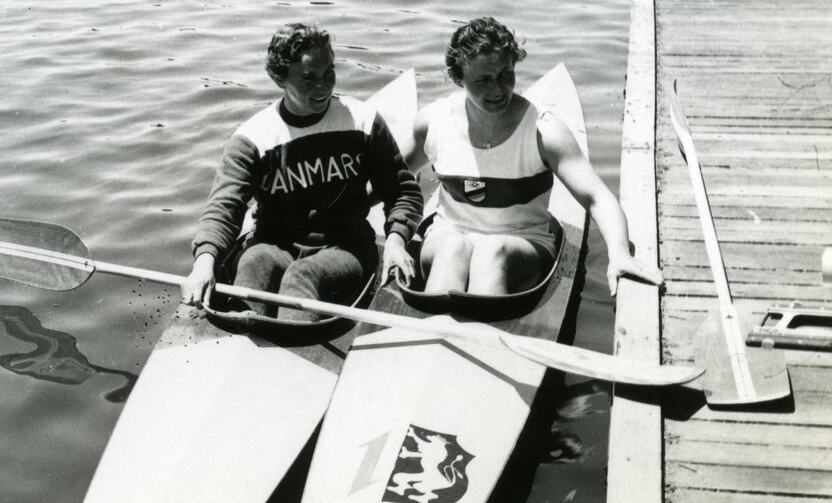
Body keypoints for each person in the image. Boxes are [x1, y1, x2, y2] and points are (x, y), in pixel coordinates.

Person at [406, 16, 662, 297]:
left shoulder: (545, 132)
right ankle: (439, 324)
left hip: (522, 243)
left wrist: (620, 254)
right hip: (448, 237)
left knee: (493, 251)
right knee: (452, 247)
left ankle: (474, 325)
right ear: (458, 78)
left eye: (506, 74)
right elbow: (388, 180)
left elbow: (597, 198)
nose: (498, 89)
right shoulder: (433, 121)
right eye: (483, 80)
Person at [182, 23, 423, 317]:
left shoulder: (363, 122)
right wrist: (204, 262)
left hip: (346, 247)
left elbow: (402, 192)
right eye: (308, 79)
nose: (323, 86)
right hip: (273, 245)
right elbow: (224, 207)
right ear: (280, 79)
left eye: (329, 73)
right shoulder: (253, 138)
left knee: (301, 277)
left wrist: (397, 240)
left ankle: (288, 344)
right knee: (254, 264)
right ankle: (240, 336)